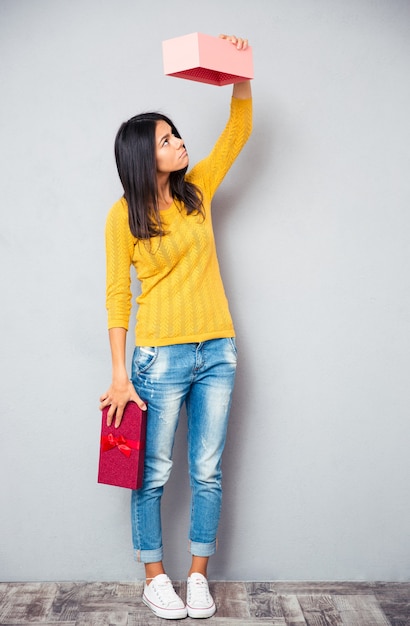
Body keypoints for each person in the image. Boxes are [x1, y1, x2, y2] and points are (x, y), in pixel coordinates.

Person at [99, 33, 252, 620]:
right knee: (152, 473)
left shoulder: (197, 194)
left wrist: (241, 71)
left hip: (217, 349)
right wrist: (119, 374)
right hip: (157, 358)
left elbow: (237, 132)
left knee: (208, 470)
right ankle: (154, 577)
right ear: (144, 154)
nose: (180, 141)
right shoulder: (122, 217)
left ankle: (196, 578)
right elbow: (118, 297)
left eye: (177, 133)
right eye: (166, 139)